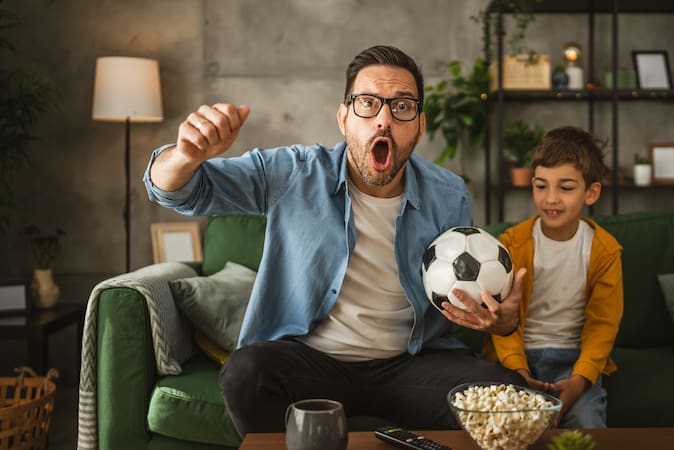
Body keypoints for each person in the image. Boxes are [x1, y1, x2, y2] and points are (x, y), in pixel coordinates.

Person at [143, 45, 526, 435]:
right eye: (368, 103)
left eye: (402, 106)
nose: (384, 120)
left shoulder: (449, 194)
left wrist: (502, 321)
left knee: (509, 395)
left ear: (420, 125)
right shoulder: (293, 172)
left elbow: (462, 292)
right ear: (344, 118)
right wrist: (185, 156)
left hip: (408, 365)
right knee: (246, 374)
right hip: (312, 363)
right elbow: (176, 191)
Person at [481, 126, 623, 428]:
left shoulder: (605, 251)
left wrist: (580, 379)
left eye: (566, 188)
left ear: (592, 192)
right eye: (541, 186)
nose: (551, 199)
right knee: (507, 426)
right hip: (518, 360)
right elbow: (502, 321)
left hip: (574, 362)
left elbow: (603, 326)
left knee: (587, 423)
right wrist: (518, 371)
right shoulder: (511, 245)